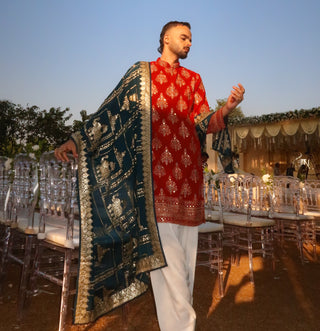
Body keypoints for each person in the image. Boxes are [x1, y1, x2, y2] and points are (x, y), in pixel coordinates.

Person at [55, 21, 245, 331]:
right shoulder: (141, 75)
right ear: (166, 38)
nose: (189, 43)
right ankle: (186, 327)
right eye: (184, 37)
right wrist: (76, 140)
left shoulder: (193, 79)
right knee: (166, 264)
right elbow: (110, 112)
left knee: (183, 269)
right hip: (153, 184)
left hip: (190, 185)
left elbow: (203, 121)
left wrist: (227, 109)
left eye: (191, 39)